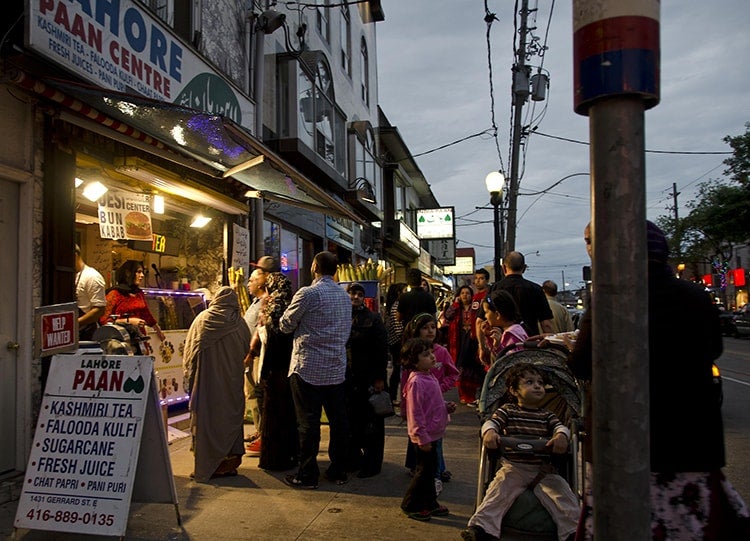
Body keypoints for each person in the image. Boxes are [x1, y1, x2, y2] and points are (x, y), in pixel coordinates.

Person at [570, 221, 750, 539]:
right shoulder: (695, 296)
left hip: (622, 442)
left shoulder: (609, 297)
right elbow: (713, 349)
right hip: (691, 441)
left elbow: (582, 364)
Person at [462, 362, 579, 541]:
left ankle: (573, 531)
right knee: (498, 493)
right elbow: (491, 423)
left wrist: (561, 437)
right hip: (514, 467)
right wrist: (490, 432)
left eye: (540, 382)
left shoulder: (547, 415)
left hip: (543, 470)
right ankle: (482, 528)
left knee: (562, 496)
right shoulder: (507, 411)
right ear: (514, 390)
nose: (537, 386)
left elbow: (560, 428)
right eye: (530, 382)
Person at [280, 251, 352, 489]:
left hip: (307, 367)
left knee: (308, 424)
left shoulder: (308, 293)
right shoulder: (344, 296)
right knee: (338, 422)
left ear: (314, 267)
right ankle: (338, 469)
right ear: (336, 270)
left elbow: (285, 324)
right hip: (335, 368)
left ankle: (307, 474)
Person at [183, 286, 251, 482]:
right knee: (230, 421)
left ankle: (208, 466)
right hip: (231, 385)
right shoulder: (240, 323)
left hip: (207, 386)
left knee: (207, 422)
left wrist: (190, 377)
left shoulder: (203, 320)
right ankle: (227, 466)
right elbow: (246, 349)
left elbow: (190, 353)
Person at [400, 337, 456, 521]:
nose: (432, 357)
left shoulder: (429, 376)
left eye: (431, 353)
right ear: (413, 360)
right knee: (423, 473)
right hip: (424, 438)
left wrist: (446, 406)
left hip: (433, 434)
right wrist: (421, 438)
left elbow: (432, 404)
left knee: (431, 472)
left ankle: (430, 503)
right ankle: (411, 505)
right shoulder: (416, 382)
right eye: (426, 355)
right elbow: (415, 413)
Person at [401, 313, 459, 490]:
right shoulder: (417, 378)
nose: (430, 331)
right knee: (423, 442)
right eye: (425, 327)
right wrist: (404, 407)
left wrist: (440, 390)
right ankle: (428, 479)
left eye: (433, 327)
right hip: (423, 413)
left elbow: (453, 373)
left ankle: (436, 471)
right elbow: (413, 404)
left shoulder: (441, 352)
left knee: (434, 443)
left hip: (435, 411)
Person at [255, 272, 298, 471]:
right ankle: (291, 455)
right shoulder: (293, 305)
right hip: (290, 366)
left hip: (276, 368)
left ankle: (274, 459)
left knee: (274, 413)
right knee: (289, 413)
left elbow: (271, 340)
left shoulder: (274, 307)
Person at [345, 282, 389, 478]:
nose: (355, 297)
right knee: (352, 422)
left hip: (370, 379)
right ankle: (354, 460)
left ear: (364, 297)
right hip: (348, 379)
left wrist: (379, 378)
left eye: (359, 294)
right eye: (352, 293)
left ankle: (372, 464)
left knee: (372, 425)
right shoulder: (342, 317)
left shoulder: (373, 319)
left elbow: (381, 350)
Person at [478, 252, 553, 363]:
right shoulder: (536, 289)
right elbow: (546, 324)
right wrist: (551, 347)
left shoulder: (494, 289)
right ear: (524, 268)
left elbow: (479, 321)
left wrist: (482, 347)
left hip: (500, 345)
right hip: (531, 345)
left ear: (504, 267)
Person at [99, 259, 165, 342]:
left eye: (142, 272)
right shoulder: (115, 293)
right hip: (120, 340)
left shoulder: (139, 293)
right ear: (128, 273)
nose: (142, 275)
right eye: (138, 272)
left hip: (139, 339)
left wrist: (158, 331)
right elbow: (104, 320)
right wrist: (128, 321)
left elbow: (146, 315)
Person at [242, 266, 269, 452]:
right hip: (248, 355)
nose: (249, 283)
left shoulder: (265, 303)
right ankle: (259, 429)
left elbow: (260, 331)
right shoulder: (254, 302)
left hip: (257, 355)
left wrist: (251, 353)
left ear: (261, 282)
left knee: (258, 393)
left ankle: (264, 434)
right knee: (251, 393)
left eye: (252, 280)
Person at [445, 285, 484, 405]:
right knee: (460, 366)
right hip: (459, 340)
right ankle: (463, 395)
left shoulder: (476, 307)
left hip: (472, 340)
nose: (465, 296)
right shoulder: (456, 308)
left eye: (467, 293)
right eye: (462, 293)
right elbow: (447, 316)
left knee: (472, 367)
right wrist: (455, 305)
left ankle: (472, 395)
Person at [480, 289, 529, 359]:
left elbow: (510, 362)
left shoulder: (511, 335)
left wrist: (498, 347)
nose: (485, 316)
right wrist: (490, 338)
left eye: (486, 312)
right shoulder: (516, 329)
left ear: (497, 315)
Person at [74, 244, 106, 341]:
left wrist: (75, 323)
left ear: (75, 255)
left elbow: (99, 310)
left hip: (86, 334)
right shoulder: (68, 275)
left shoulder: (92, 277)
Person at [384, 282, 407, 403]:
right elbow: (399, 329)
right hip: (397, 343)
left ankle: (393, 396)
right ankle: (393, 396)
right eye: (405, 291)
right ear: (399, 293)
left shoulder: (393, 305)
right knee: (398, 370)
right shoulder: (397, 306)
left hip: (394, 343)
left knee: (397, 370)